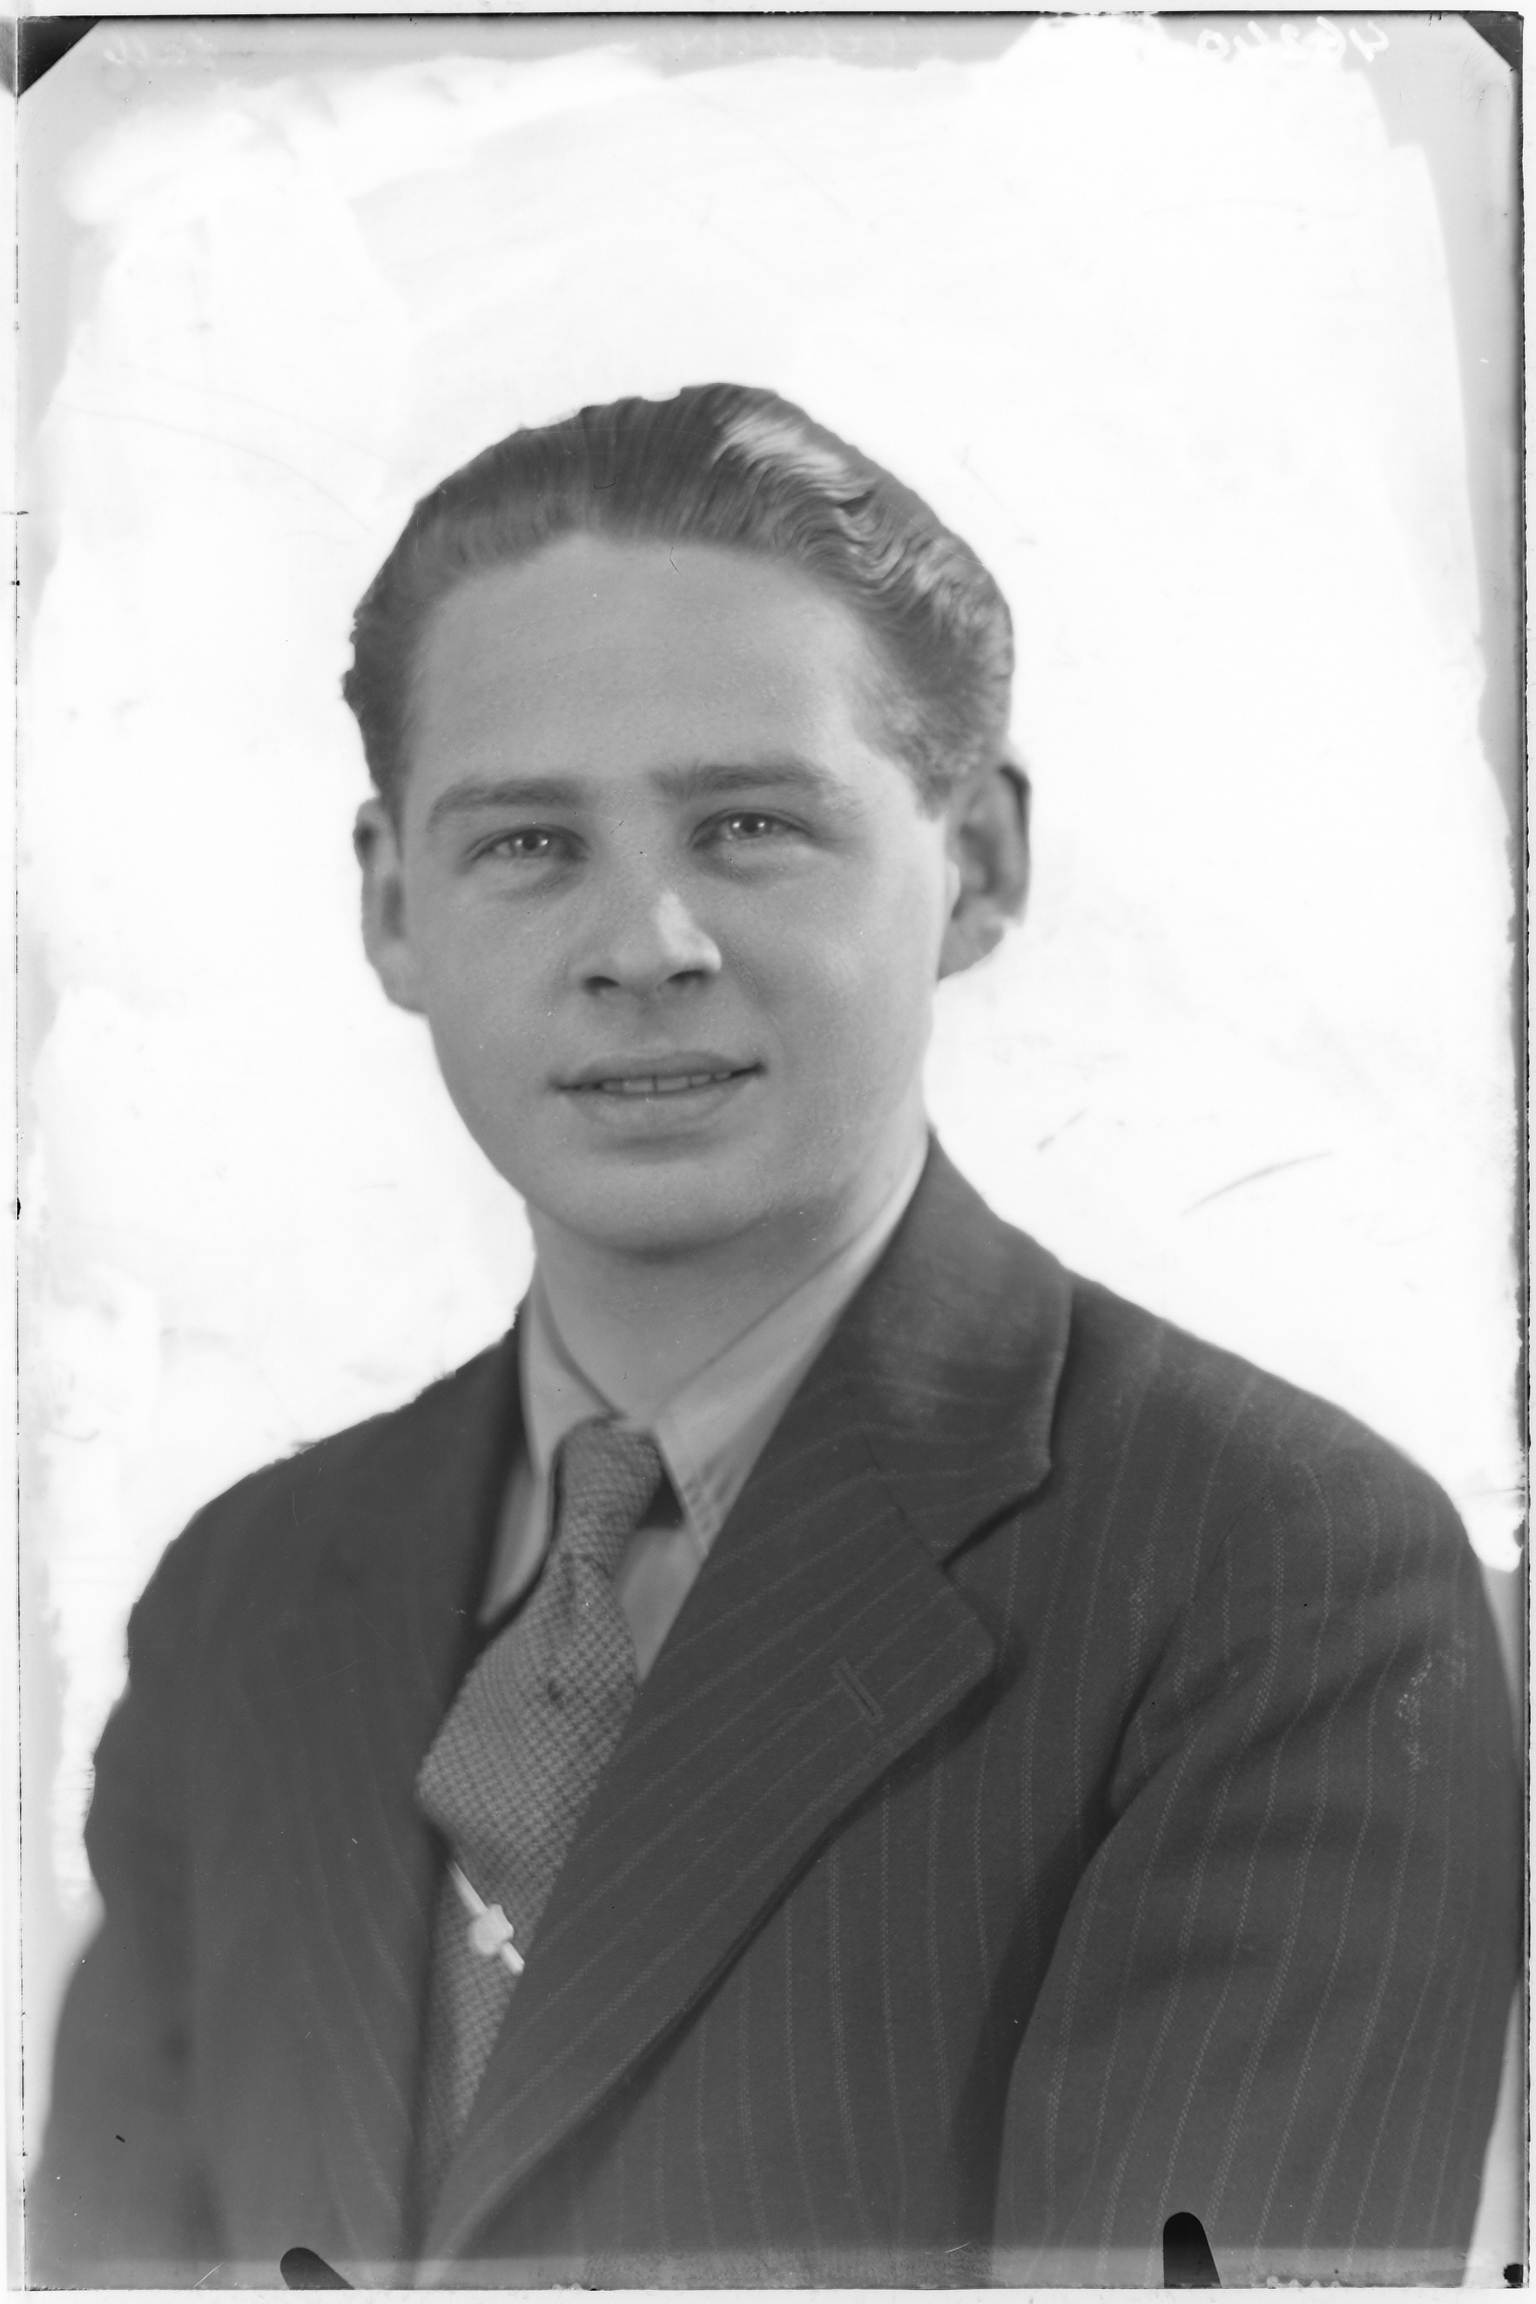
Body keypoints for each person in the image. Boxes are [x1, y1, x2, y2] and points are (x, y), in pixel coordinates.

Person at [34, 383, 1518, 2289]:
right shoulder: (244, 1597)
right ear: (393, 908)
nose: (643, 942)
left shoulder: (1280, 1574)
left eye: (749, 824)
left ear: (978, 863)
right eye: (526, 844)